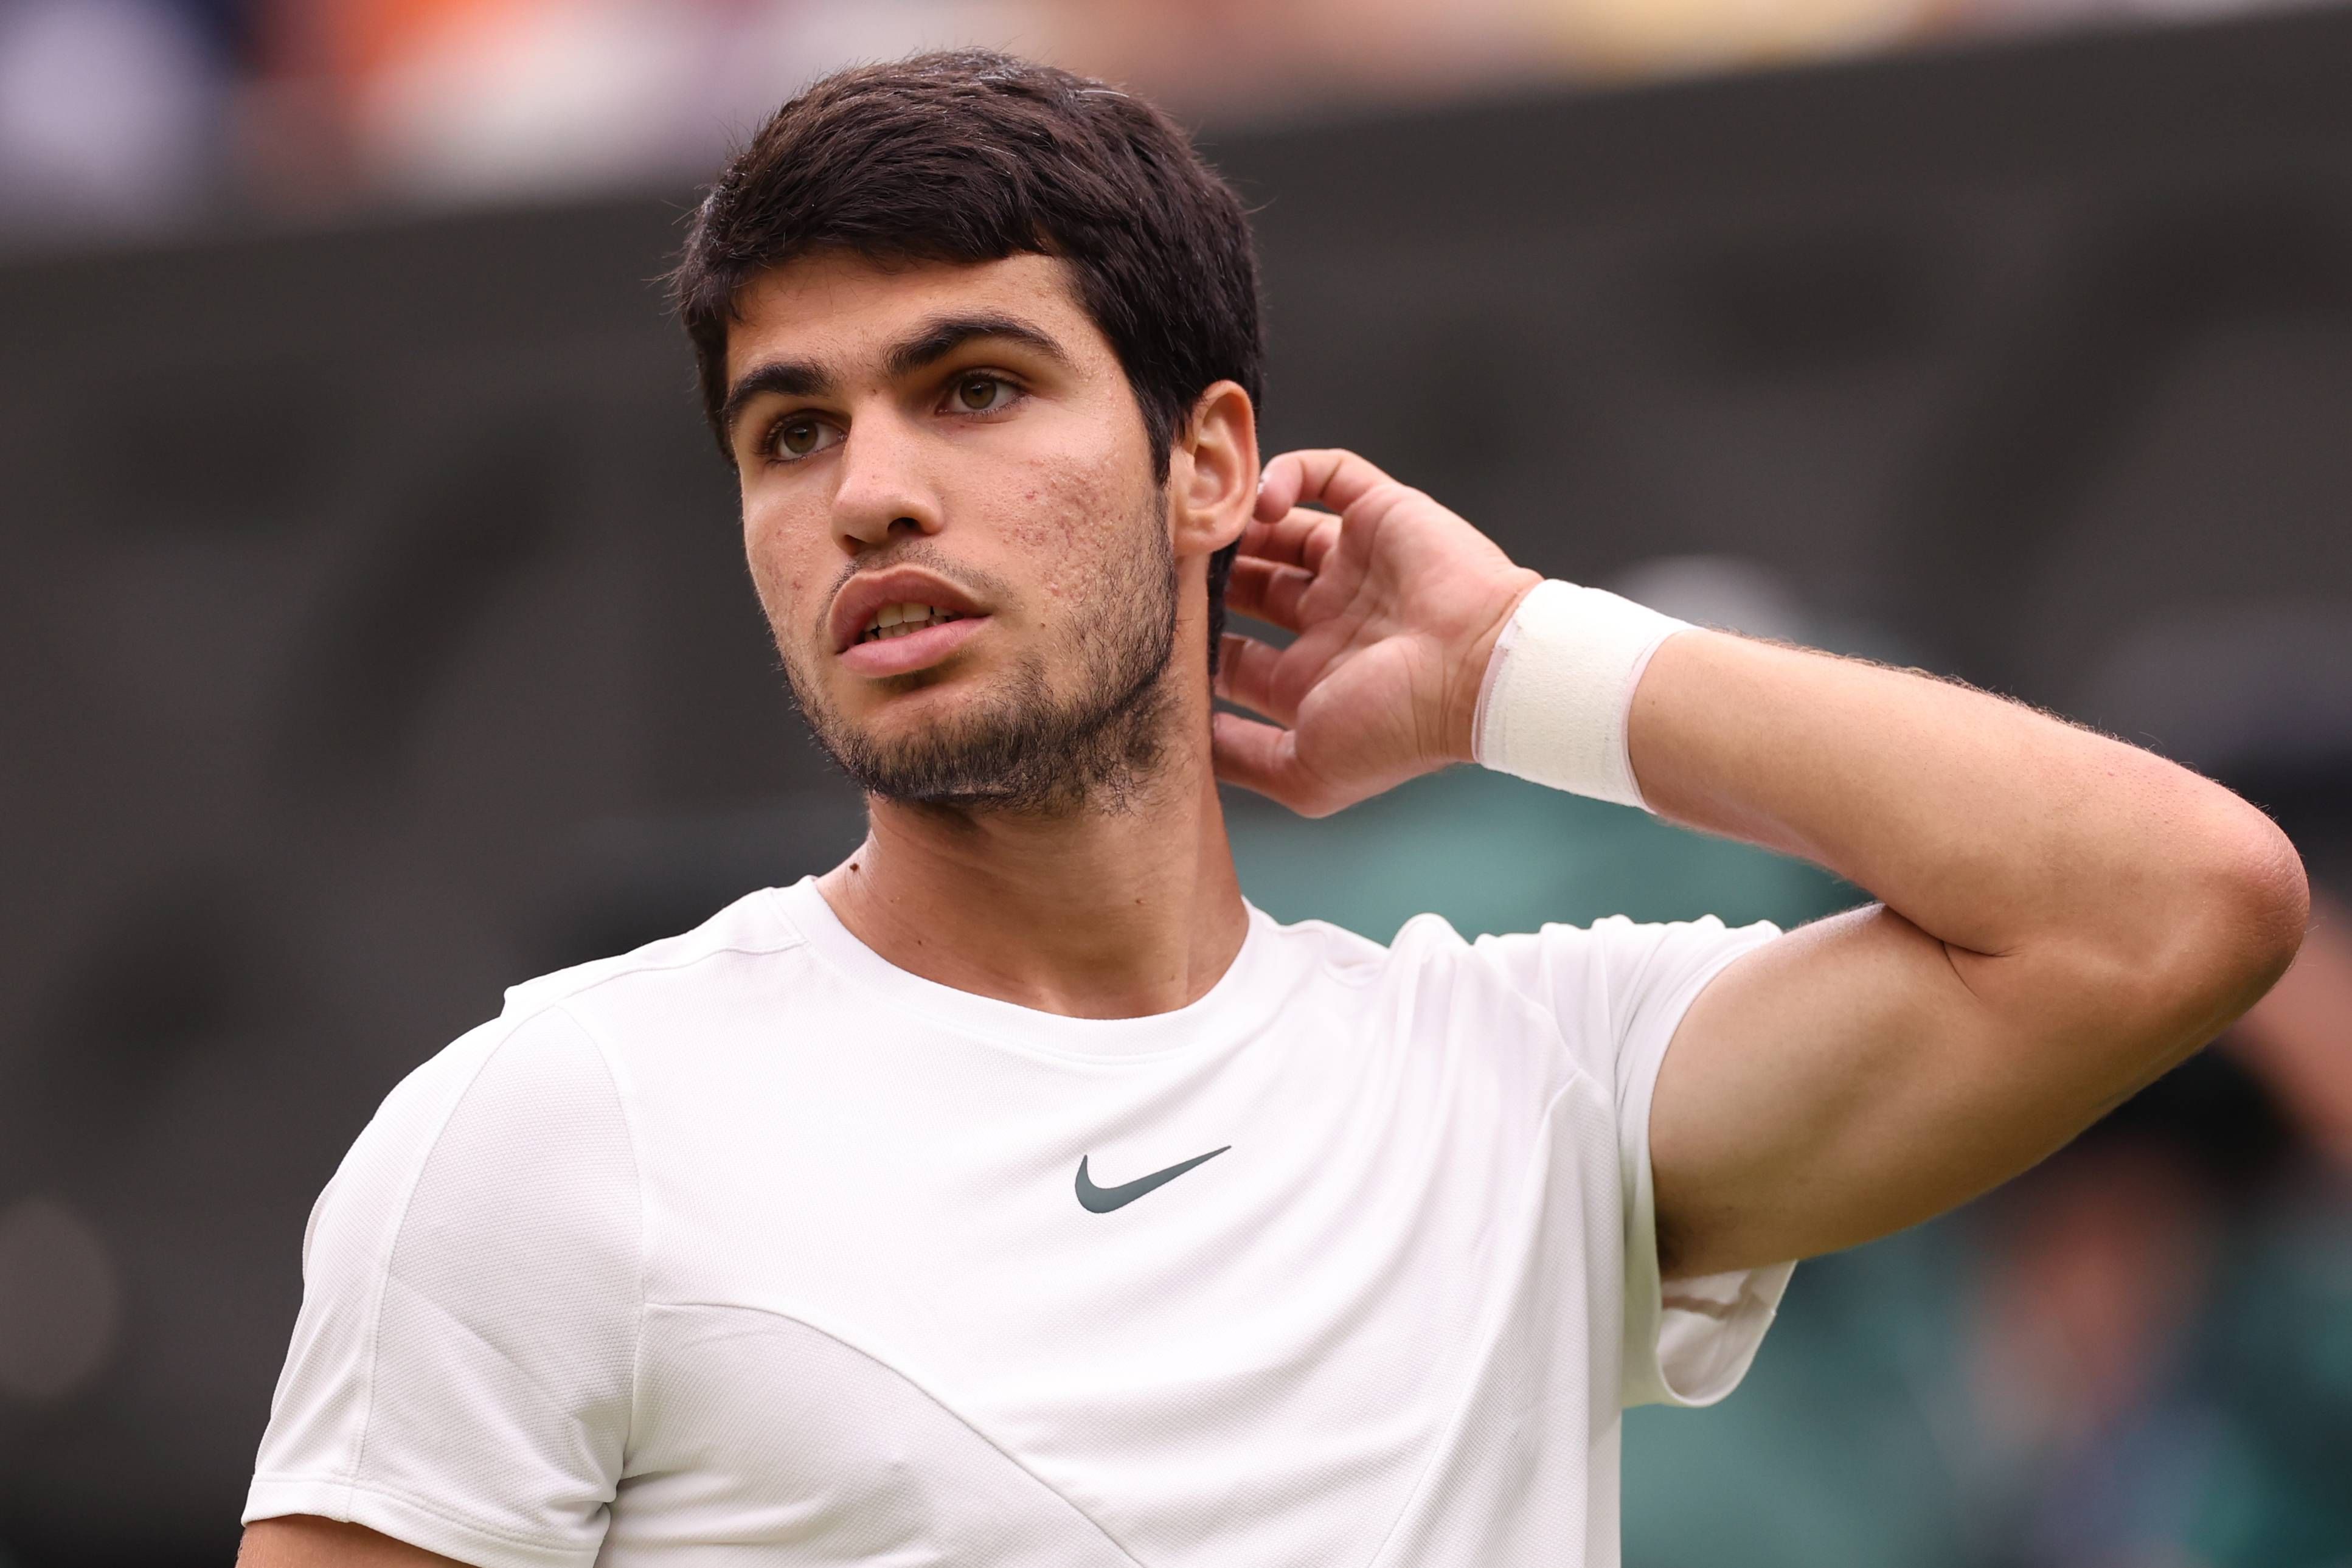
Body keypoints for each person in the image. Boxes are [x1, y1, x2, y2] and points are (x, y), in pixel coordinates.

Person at [234, 50, 2308, 1568]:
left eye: (971, 386)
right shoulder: (544, 1127)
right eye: (791, 429)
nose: (867, 487)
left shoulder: (1519, 1078)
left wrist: (1517, 666)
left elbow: (2175, 906)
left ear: (1209, 462)